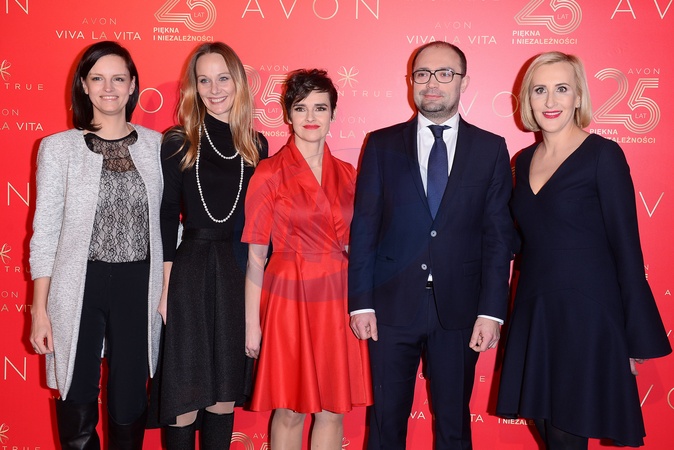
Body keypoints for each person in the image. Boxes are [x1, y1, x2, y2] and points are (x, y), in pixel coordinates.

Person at [496, 51, 671, 449]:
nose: (550, 100)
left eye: (562, 89)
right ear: (527, 99)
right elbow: (518, 239)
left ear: (578, 97)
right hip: (536, 311)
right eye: (539, 90)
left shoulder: (603, 156)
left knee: (566, 436)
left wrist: (633, 335)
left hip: (587, 315)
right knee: (546, 427)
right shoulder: (523, 161)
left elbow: (627, 249)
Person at [348, 42, 514, 450]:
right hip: (390, 309)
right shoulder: (382, 144)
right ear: (411, 81)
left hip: (461, 311)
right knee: (385, 426)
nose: (432, 83)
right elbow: (365, 227)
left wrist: (491, 311)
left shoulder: (490, 148)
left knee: (454, 427)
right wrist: (361, 303)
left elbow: (498, 237)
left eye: (444, 73)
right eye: (422, 74)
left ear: (464, 82)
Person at [28, 41, 163, 449]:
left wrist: (170, 291)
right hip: (77, 286)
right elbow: (45, 232)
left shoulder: (159, 146)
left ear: (132, 85)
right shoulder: (58, 149)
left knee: (129, 399)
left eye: (118, 78)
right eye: (98, 79)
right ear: (84, 86)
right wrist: (39, 310)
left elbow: (170, 225)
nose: (108, 88)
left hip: (139, 286)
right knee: (76, 391)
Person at [243, 69, 373, 450]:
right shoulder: (269, 172)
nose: (311, 117)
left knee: (333, 410)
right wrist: (252, 325)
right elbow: (255, 258)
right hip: (288, 296)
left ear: (333, 113)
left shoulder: (348, 174)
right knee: (289, 409)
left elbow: (360, 245)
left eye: (321, 107)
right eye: (301, 108)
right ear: (288, 114)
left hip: (337, 297)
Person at [154, 42, 267, 449]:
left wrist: (255, 302)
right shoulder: (178, 140)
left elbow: (259, 231)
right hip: (189, 273)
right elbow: (167, 215)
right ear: (194, 87)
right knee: (184, 396)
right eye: (204, 80)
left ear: (238, 82)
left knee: (223, 397)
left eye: (223, 79)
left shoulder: (256, 145)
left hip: (236, 274)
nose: (215, 89)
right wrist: (165, 291)